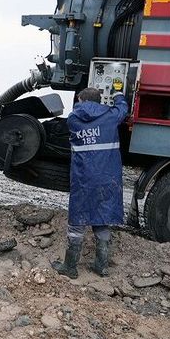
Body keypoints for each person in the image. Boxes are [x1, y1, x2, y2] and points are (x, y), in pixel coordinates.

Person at [52, 87, 128, 279]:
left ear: (80, 99)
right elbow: (122, 107)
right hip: (108, 177)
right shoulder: (111, 116)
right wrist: (118, 92)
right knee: (102, 217)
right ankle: (101, 266)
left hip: (83, 178)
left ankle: (70, 267)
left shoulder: (73, 119)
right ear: (100, 100)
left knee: (78, 219)